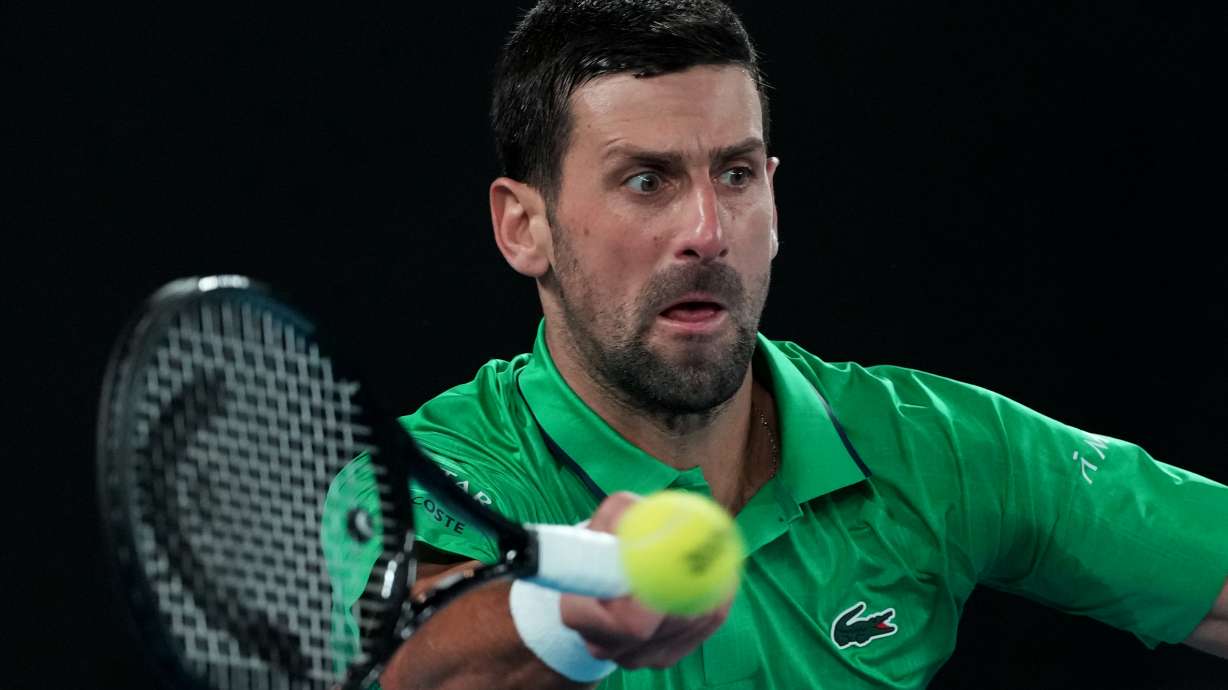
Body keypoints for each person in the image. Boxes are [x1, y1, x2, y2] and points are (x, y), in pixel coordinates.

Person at [332, 1, 1228, 688]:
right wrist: (563, 623)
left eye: (734, 175)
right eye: (645, 180)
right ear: (523, 227)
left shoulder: (933, 447)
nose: (707, 231)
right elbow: (418, 659)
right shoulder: (419, 481)